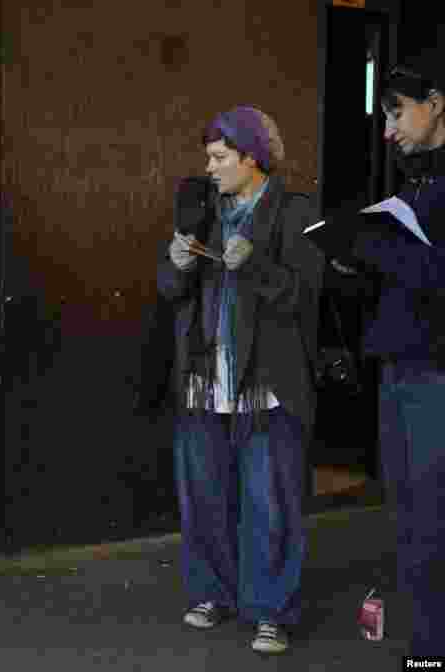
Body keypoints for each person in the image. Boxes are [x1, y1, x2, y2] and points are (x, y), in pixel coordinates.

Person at [159, 106, 324, 655]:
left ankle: (271, 610)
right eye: (209, 157)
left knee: (269, 501)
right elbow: (168, 287)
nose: (209, 167)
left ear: (251, 158)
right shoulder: (202, 208)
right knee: (204, 495)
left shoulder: (294, 212)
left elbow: (306, 297)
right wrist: (178, 262)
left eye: (219, 157)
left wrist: (253, 264)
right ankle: (213, 592)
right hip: (205, 379)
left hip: (266, 383)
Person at [327, 52, 445, 657]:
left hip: (435, 375)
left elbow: (433, 272)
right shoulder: (415, 182)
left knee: (429, 525)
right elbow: (405, 276)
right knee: (407, 522)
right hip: (399, 366)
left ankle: (431, 651)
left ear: (436, 102)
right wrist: (353, 262)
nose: (388, 127)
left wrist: (376, 251)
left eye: (396, 111)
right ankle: (426, 645)